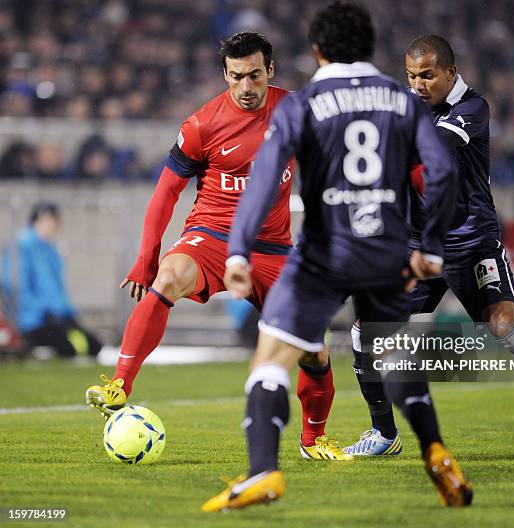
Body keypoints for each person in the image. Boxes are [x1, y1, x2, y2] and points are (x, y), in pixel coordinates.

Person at [203, 2, 472, 512]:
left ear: (318, 50)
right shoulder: (402, 99)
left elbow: (263, 182)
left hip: (323, 254)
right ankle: (435, 449)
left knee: (272, 359)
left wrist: (237, 249)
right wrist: (431, 247)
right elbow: (441, 173)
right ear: (370, 46)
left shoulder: (301, 104)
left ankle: (263, 471)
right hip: (388, 253)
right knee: (391, 353)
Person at [84, 32, 346, 460]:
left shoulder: (295, 110)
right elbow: (165, 193)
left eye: (255, 76)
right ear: (225, 74)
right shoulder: (202, 125)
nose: (246, 87)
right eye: (237, 77)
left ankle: (313, 442)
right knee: (169, 277)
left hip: (272, 248)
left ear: (271, 71)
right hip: (212, 235)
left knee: (313, 349)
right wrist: (147, 259)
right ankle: (119, 385)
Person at [343, 35, 514, 459]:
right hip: (416, 244)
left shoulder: (472, 108)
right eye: (411, 76)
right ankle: (383, 432)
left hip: (471, 242)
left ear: (450, 71)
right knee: (365, 332)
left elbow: (437, 150)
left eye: (427, 75)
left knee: (504, 326)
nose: (418, 84)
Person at [2, 202, 102, 358]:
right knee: (70, 349)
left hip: (57, 315)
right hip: (35, 320)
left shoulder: (50, 250)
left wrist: (65, 311)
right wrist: (41, 309)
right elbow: (14, 284)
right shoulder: (22, 246)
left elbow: (55, 288)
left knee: (94, 346)